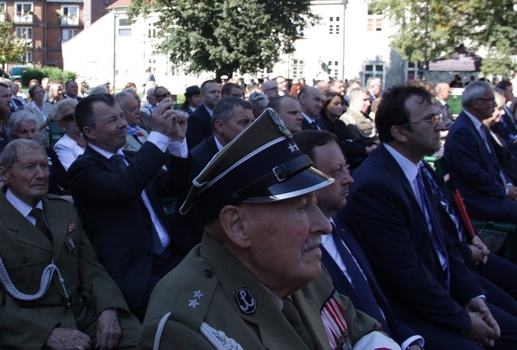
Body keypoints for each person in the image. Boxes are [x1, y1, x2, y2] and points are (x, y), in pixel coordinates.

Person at [140, 109, 400, 350]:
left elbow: (361, 330)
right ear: (238, 226)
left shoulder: (298, 268)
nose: (323, 226)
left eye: (314, 204)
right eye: (300, 208)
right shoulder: (188, 326)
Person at [342, 83, 517, 349]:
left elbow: (441, 240)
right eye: (430, 119)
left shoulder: (415, 167)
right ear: (400, 132)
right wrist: (464, 320)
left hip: (443, 285)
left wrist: (472, 294)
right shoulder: (375, 187)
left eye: (438, 117)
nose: (441, 125)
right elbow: (407, 276)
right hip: (411, 311)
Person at [0, 139, 141, 349]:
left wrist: (108, 307)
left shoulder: (63, 210)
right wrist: (47, 334)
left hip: (86, 313)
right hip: (36, 330)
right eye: (29, 167)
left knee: (142, 341)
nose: (42, 174)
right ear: (4, 174)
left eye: (45, 166)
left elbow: (90, 267)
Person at [294, 130, 424, 349]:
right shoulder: (300, 254)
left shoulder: (343, 226)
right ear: (307, 180)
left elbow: (377, 299)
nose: (349, 178)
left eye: (346, 166)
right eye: (336, 172)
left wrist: (408, 340)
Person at [67, 94, 189, 320]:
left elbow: (176, 185)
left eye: (122, 116)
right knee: (186, 319)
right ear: (89, 132)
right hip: (137, 275)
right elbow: (125, 187)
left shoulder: (133, 159)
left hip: (172, 260)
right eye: (112, 120)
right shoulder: (83, 170)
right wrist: (158, 134)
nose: (123, 123)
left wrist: (176, 141)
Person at [173, 96, 254, 256]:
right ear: (220, 126)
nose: (252, 129)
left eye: (253, 122)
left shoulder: (248, 150)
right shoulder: (199, 161)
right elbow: (201, 219)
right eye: (244, 123)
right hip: (202, 248)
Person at [445, 81, 517, 222]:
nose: (495, 105)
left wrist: (507, 185)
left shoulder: (477, 126)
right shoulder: (463, 131)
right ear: (476, 103)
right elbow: (472, 173)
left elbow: (495, 164)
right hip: (478, 201)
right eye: (491, 100)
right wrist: (504, 191)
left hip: (489, 195)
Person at [8, 111, 67, 195]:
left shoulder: (48, 153)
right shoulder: (11, 159)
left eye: (33, 131)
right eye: (24, 132)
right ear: (13, 135)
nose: (30, 136)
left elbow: (65, 180)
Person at [319, 91, 373, 170]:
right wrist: (364, 150)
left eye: (341, 104)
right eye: (336, 104)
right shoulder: (323, 124)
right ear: (326, 105)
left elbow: (354, 139)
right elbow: (341, 145)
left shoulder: (340, 123)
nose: (340, 107)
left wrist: (372, 144)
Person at [51, 98, 86, 171]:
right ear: (61, 123)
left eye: (78, 115)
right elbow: (73, 172)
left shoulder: (90, 137)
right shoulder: (62, 146)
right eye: (70, 117)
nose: (75, 119)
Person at [186, 80, 221, 149]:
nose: (217, 95)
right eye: (212, 92)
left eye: (219, 92)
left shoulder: (223, 113)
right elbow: (197, 148)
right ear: (202, 96)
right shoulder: (195, 119)